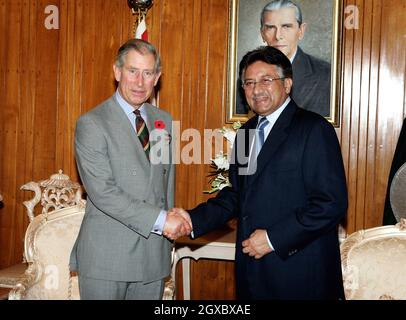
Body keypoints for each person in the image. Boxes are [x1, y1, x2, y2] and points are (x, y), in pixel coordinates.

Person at [175, 46, 348, 299]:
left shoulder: (314, 129)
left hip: (299, 274)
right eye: (249, 82)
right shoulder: (246, 134)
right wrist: (193, 219)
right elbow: (237, 195)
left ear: (287, 84)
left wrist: (273, 238)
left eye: (266, 80)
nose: (256, 89)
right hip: (253, 272)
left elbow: (331, 203)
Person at [69, 39, 191, 300]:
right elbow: (103, 193)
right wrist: (162, 220)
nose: (139, 82)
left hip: (152, 258)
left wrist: (170, 225)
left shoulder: (163, 120)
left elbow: (163, 182)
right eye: (132, 71)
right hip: (107, 259)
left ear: (157, 77)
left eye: (148, 73)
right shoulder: (92, 123)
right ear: (117, 72)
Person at [237, 0, 331, 117]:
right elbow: (243, 126)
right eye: (271, 27)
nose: (278, 36)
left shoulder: (326, 75)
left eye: (286, 26)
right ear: (262, 33)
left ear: (301, 31)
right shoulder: (247, 77)